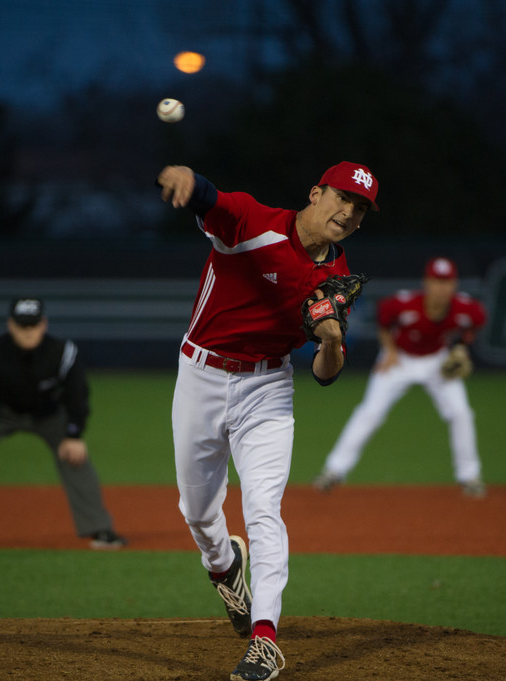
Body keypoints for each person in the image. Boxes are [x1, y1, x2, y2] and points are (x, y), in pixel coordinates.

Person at [156, 161, 378, 681]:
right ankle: (224, 567)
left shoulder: (336, 278)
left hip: (267, 388)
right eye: (342, 197)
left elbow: (326, 374)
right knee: (197, 512)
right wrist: (188, 180)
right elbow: (211, 199)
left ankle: (265, 640)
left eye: (360, 208)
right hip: (201, 374)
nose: (348, 212)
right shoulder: (254, 222)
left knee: (263, 510)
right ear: (315, 193)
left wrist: (331, 342)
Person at [0, 297, 126, 550]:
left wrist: (74, 434)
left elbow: (77, 394)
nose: (28, 331)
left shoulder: (62, 351)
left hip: (48, 415)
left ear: (44, 324)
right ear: (10, 325)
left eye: (33, 325)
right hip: (0, 414)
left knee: (75, 457)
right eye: (22, 325)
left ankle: (101, 530)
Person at [313, 256, 489, 497]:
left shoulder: (465, 307)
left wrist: (460, 347)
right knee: (370, 412)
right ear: (427, 282)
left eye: (446, 282)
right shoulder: (404, 303)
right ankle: (333, 471)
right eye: (437, 281)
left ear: (454, 284)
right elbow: (383, 319)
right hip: (399, 360)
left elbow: (475, 323)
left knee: (461, 413)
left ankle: (469, 476)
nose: (441, 287)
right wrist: (390, 350)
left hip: (437, 361)